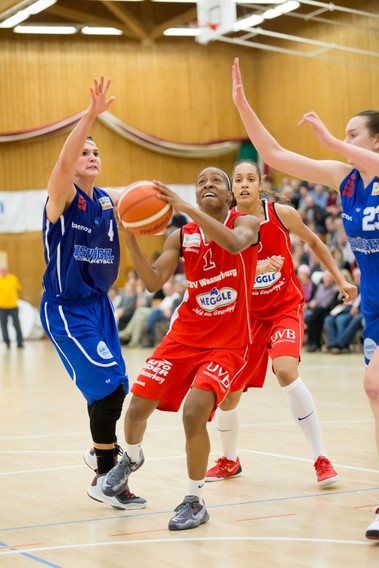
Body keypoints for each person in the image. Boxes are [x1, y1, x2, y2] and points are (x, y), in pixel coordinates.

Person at [231, 56, 379, 539]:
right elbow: (273, 151)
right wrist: (242, 105)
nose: (345, 140)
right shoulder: (346, 178)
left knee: (374, 387)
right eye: (344, 136)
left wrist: (332, 142)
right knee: (376, 394)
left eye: (353, 134)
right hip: (374, 304)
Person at [101, 167, 260, 531]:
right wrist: (130, 238)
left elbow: (235, 244)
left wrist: (187, 206)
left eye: (216, 181)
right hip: (185, 334)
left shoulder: (247, 222)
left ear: (230, 194)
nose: (207, 185)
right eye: (201, 181)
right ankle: (132, 459)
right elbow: (154, 280)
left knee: (193, 412)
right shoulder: (182, 236)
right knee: (138, 406)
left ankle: (194, 499)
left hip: (228, 341)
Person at [206, 160, 356, 487]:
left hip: (285, 307)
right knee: (230, 393)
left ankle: (321, 457)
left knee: (286, 371)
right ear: (232, 189)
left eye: (250, 179)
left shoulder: (280, 214)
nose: (244, 184)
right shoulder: (226, 227)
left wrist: (340, 280)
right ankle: (230, 460)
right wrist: (257, 270)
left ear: (260, 185)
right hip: (247, 316)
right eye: (239, 180)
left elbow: (315, 243)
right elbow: (222, 277)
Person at [39, 76, 145, 511]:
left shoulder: (107, 201)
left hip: (100, 306)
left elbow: (147, 196)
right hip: (66, 308)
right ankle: (106, 476)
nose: (92, 155)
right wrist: (90, 116)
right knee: (108, 393)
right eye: (86, 151)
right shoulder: (60, 197)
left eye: (97, 151)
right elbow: (65, 163)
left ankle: (99, 453)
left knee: (116, 386)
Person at [0, 265, 24, 349]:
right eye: (1, 270)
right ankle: (7, 342)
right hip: (2, 307)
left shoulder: (13, 278)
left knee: (16, 323)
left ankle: (20, 342)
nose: (3, 271)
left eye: (4, 270)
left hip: (13, 306)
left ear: (7, 270)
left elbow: (18, 288)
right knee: (3, 325)